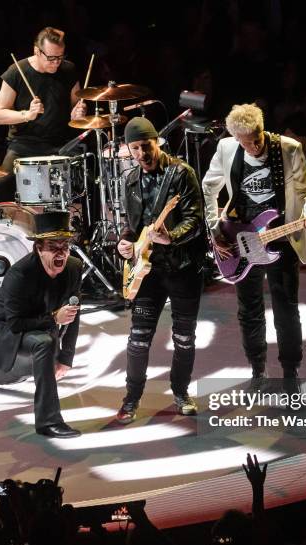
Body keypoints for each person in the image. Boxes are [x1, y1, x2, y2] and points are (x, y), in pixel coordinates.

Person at [202, 103, 306, 396]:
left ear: (262, 129)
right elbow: (209, 187)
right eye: (245, 142)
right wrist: (214, 227)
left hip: (281, 238)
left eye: (256, 139)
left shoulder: (289, 149)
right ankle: (257, 370)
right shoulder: (228, 148)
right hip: (240, 240)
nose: (252, 147)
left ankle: (291, 373)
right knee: (249, 310)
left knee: (286, 310)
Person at [115, 117, 206, 424]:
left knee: (184, 338)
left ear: (158, 142)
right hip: (148, 270)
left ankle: (181, 393)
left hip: (182, 267)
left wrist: (172, 236)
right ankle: (131, 399)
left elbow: (195, 219)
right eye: (136, 148)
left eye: (146, 146)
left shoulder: (181, 173)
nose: (142, 153)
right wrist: (124, 244)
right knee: (138, 338)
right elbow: (133, 226)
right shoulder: (129, 181)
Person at [0, 211, 83, 438]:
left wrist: (66, 358)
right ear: (39, 248)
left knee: (40, 350)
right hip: (4, 331)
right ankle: (48, 422)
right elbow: (15, 324)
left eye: (65, 246)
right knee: (44, 342)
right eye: (53, 247)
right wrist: (55, 318)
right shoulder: (20, 274)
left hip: (39, 324)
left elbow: (74, 315)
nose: (61, 253)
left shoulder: (74, 268)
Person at [0, 27, 87, 194]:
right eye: (51, 58)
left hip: (60, 143)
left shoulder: (68, 70)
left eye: (60, 57)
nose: (56, 62)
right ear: (37, 51)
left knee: (87, 180)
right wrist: (26, 115)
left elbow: (75, 106)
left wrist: (77, 114)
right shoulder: (16, 72)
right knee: (4, 183)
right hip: (25, 144)